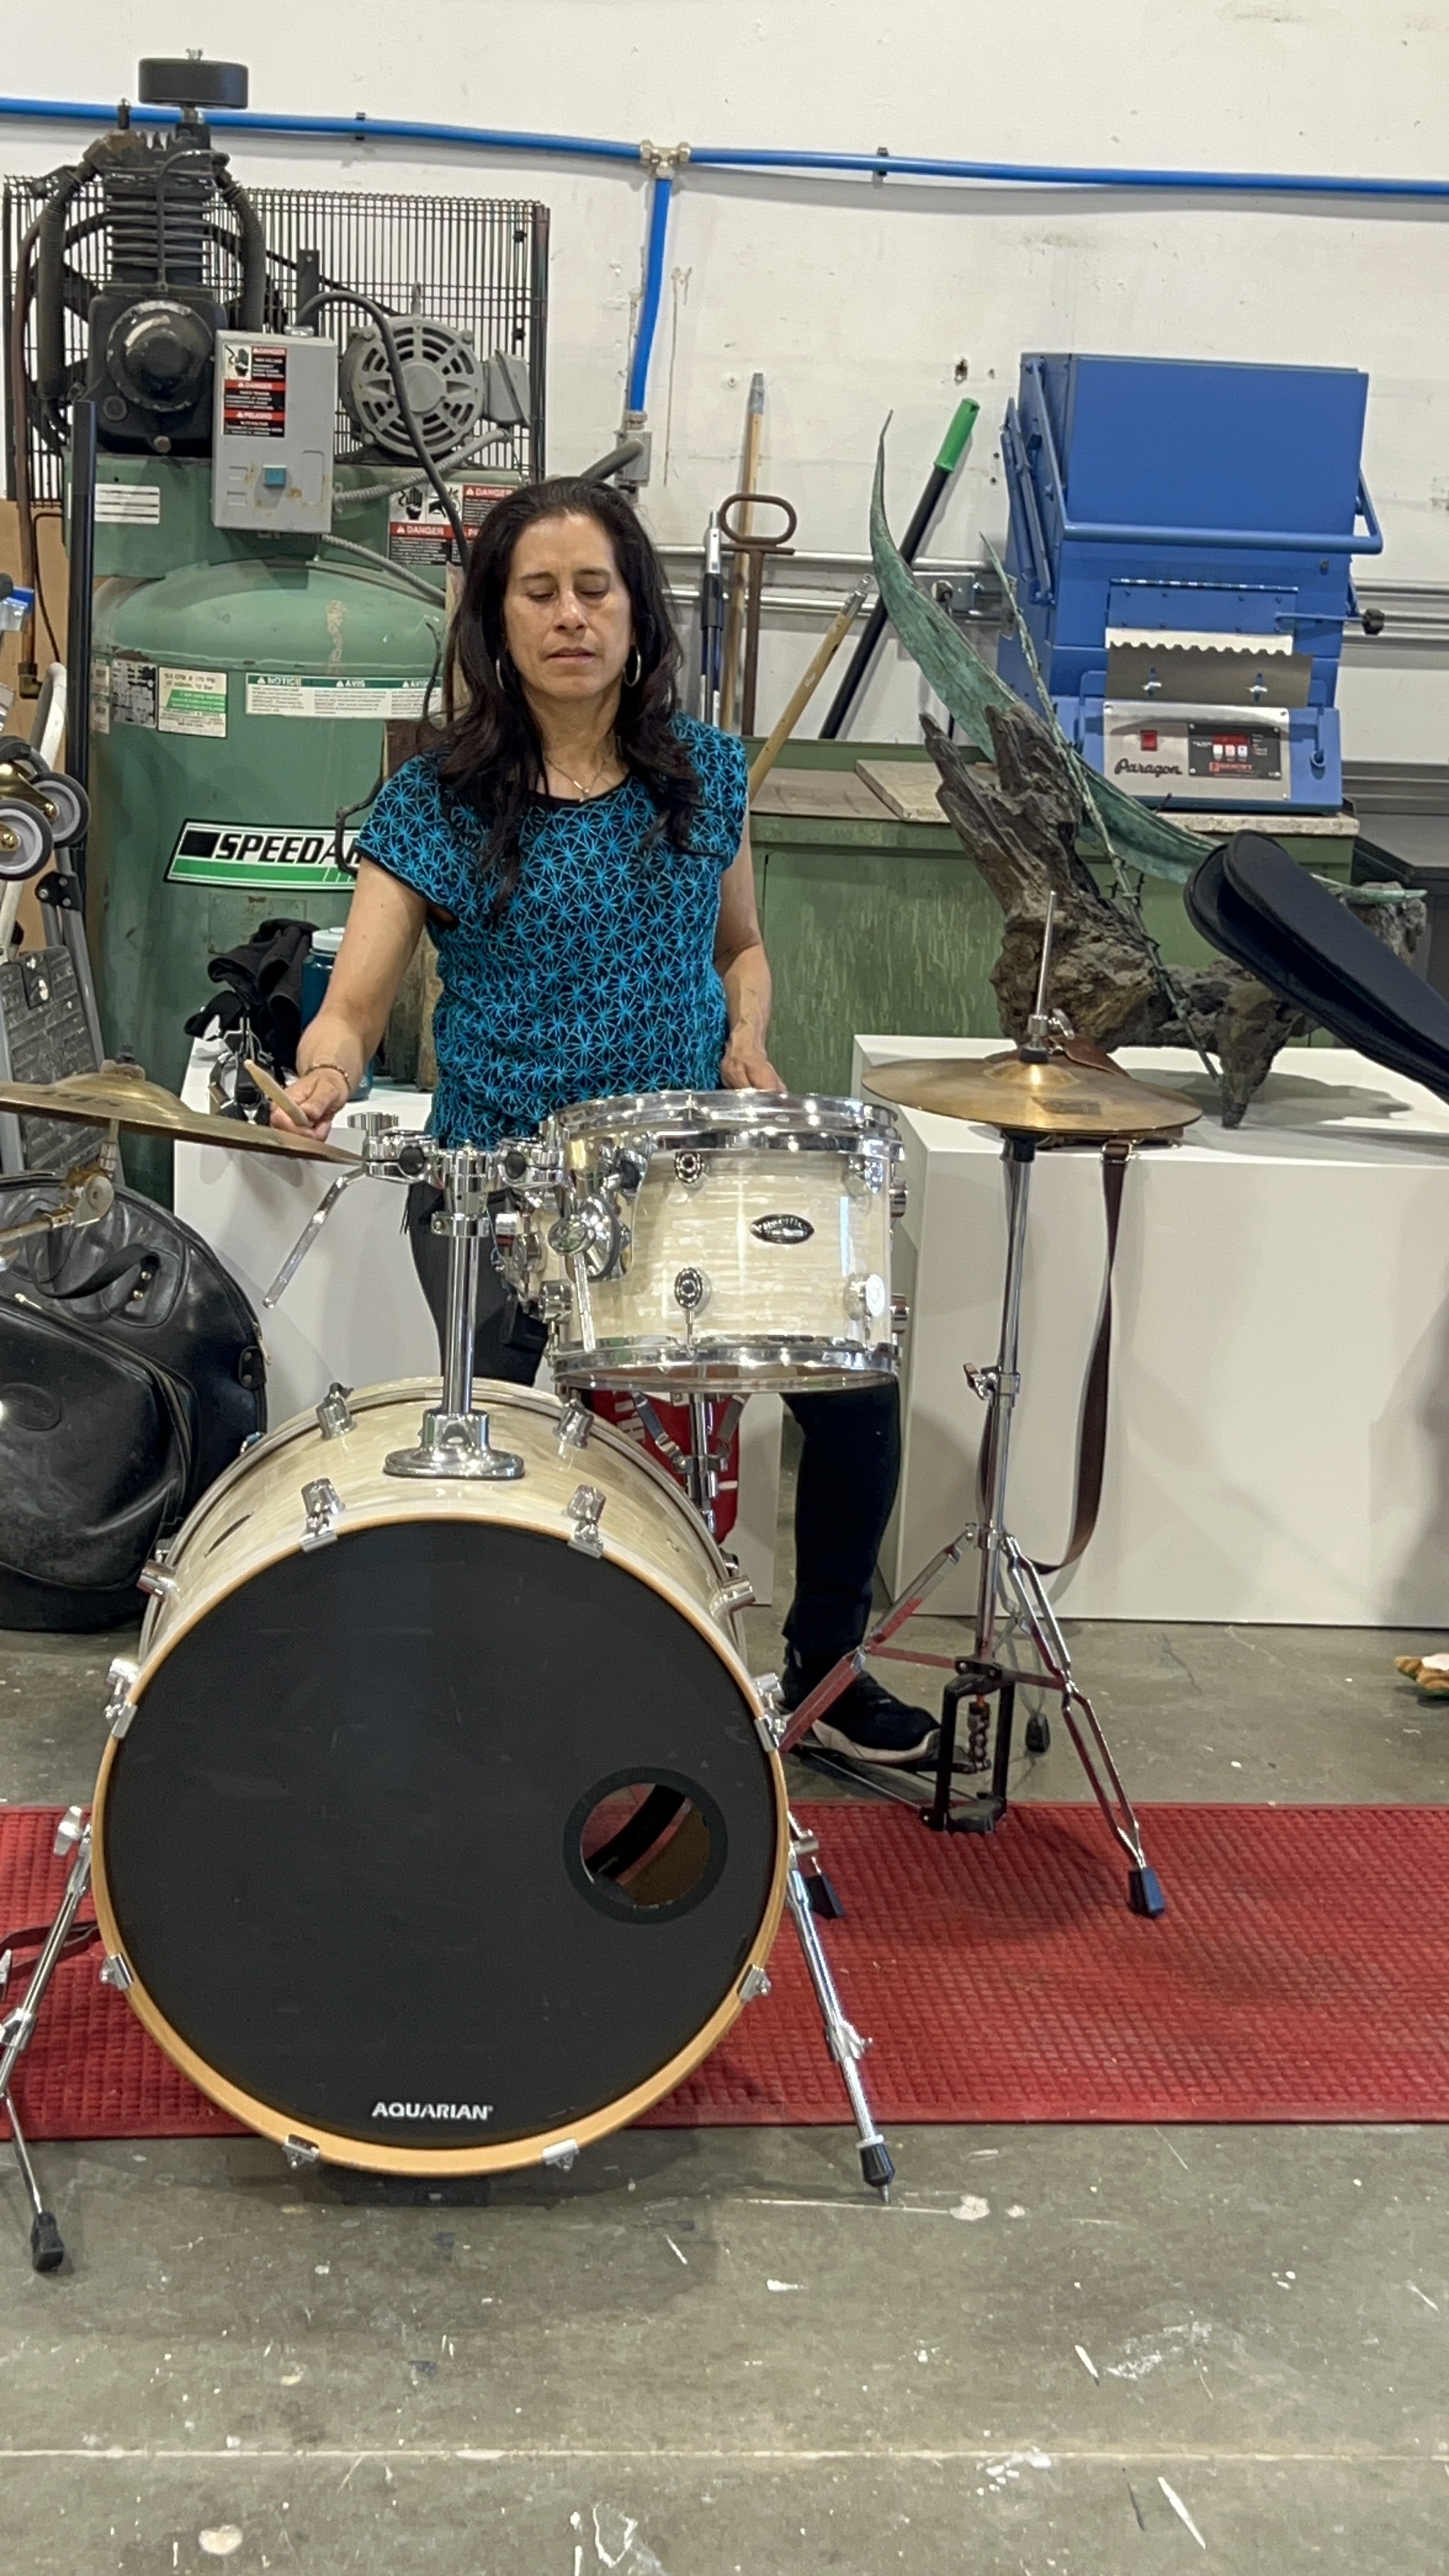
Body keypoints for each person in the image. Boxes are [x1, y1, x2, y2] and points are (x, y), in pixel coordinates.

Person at [277, 476, 936, 1767]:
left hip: (682, 1170)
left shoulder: (706, 775)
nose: (570, 615)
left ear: (637, 614)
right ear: (496, 621)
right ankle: (506, 1702)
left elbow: (741, 948)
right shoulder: (434, 802)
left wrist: (749, 1037)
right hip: (501, 1177)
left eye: (595, 589)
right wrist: (327, 1074)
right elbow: (351, 1008)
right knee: (503, 1437)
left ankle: (826, 1674)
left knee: (856, 1393)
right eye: (539, 592)